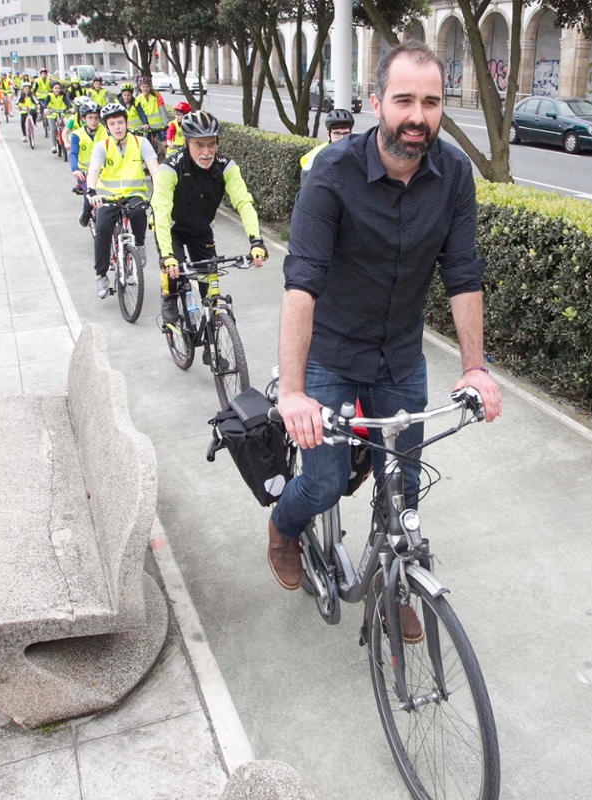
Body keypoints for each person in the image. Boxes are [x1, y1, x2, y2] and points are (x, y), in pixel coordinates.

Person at [268, 41, 501, 635]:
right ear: (376, 103)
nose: (418, 116)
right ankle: (283, 528)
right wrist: (292, 392)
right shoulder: (332, 172)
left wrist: (475, 367)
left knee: (405, 487)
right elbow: (302, 283)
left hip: (399, 356)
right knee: (323, 482)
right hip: (331, 353)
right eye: (404, 100)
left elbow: (463, 273)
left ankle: (393, 579)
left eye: (431, 102)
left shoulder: (454, 175)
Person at [152, 111, 266, 332]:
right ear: (187, 142)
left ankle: (212, 338)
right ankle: (168, 296)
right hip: (172, 228)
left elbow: (244, 202)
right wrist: (167, 255)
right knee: (174, 272)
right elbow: (161, 213)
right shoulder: (171, 168)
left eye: (211, 144)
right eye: (199, 144)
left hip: (202, 230)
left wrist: (256, 240)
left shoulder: (225, 166)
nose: (206, 152)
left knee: (211, 287)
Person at [87, 103, 160, 299]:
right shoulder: (102, 146)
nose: (117, 127)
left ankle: (140, 246)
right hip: (108, 196)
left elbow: (154, 169)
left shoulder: (141, 143)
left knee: (139, 212)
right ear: (106, 127)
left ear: (127, 123)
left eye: (120, 122)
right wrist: (91, 190)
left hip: (134, 194)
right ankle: (101, 275)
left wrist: (159, 191)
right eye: (112, 124)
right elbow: (94, 169)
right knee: (102, 229)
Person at [300, 108, 354, 185]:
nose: (342, 138)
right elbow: (307, 186)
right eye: (337, 133)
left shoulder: (356, 152)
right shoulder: (317, 156)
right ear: (328, 135)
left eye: (346, 134)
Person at [71, 100, 105, 217]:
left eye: (96, 118)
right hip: (84, 172)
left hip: (103, 171)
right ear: (84, 119)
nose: (94, 121)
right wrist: (75, 169)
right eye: (90, 118)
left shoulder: (105, 131)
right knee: (89, 192)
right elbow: (73, 154)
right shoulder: (77, 134)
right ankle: (86, 211)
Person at [132, 77, 166, 146]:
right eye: (143, 87)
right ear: (140, 87)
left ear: (150, 87)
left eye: (147, 87)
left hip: (159, 125)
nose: (145, 89)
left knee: (164, 143)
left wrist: (166, 123)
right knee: (148, 144)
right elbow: (138, 114)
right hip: (147, 127)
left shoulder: (156, 95)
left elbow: (162, 110)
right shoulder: (137, 99)